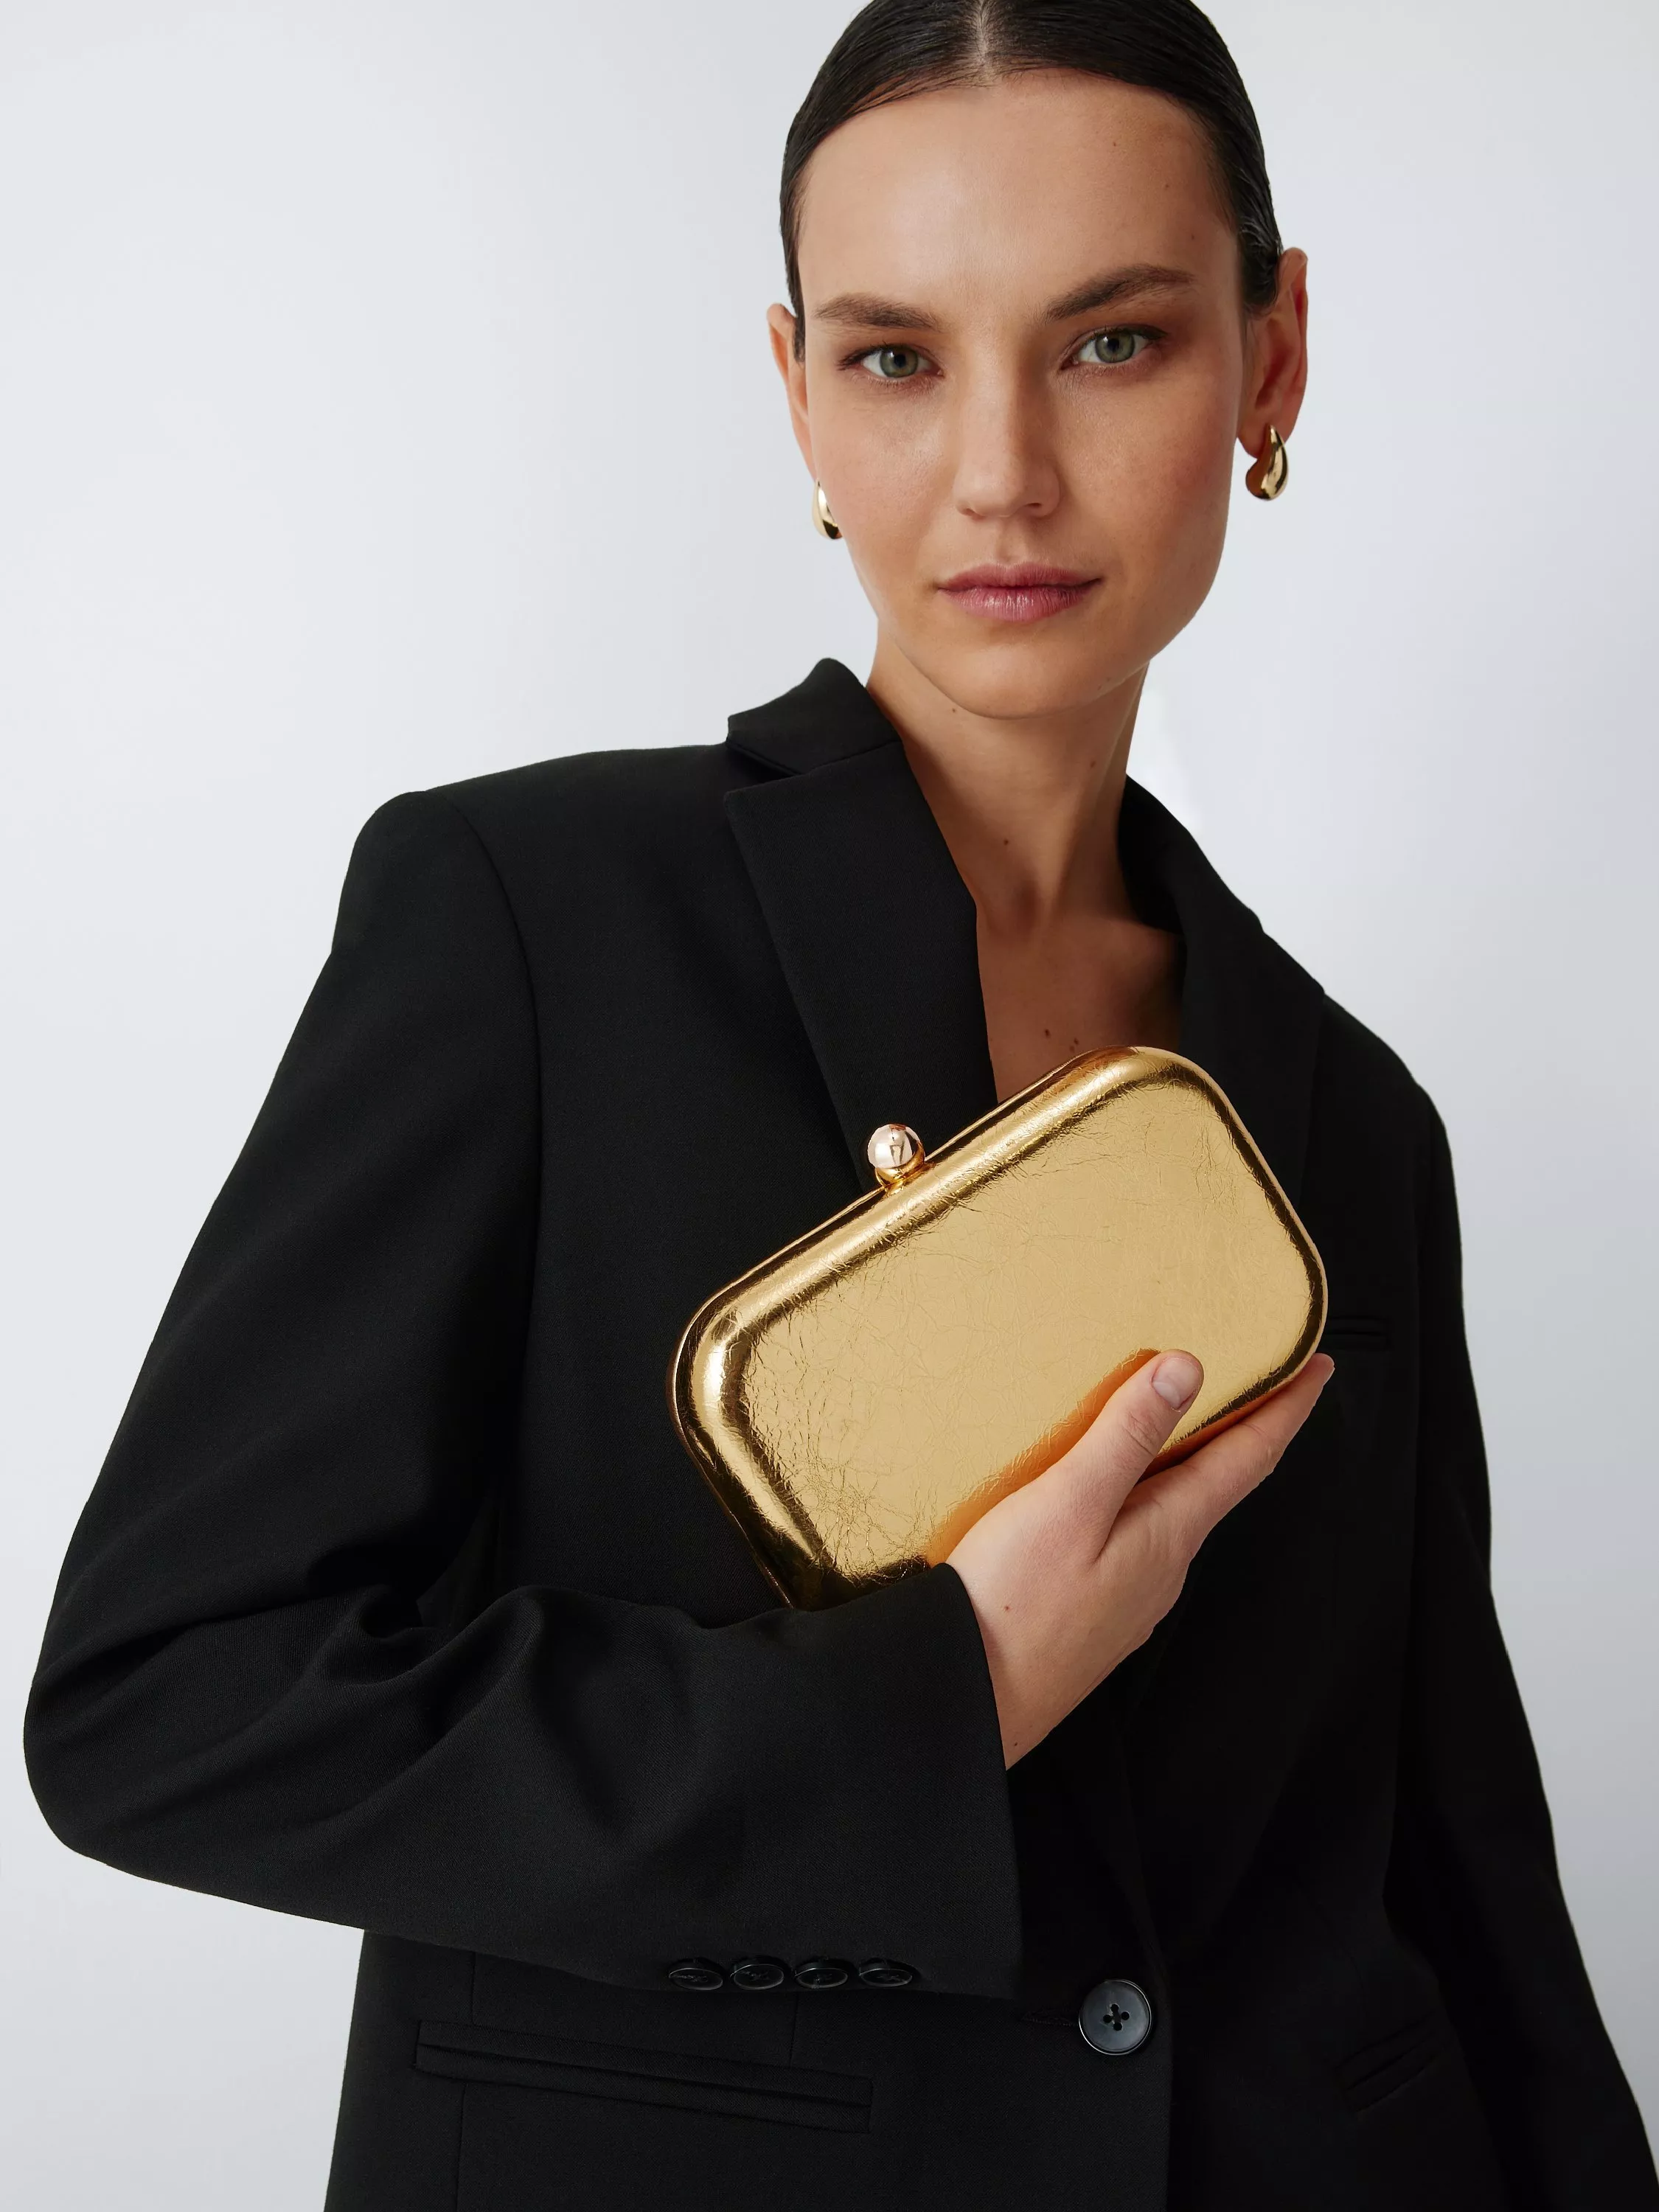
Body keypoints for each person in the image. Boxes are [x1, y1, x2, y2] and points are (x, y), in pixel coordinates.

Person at [25, 3, 1657, 2208]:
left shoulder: (1352, 1115)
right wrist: (924, 1713)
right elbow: (176, 1704)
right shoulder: (528, 917)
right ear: (795, 389)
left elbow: (1462, 1872)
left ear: (1271, 364)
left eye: (1113, 344)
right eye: (897, 358)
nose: (998, 471)